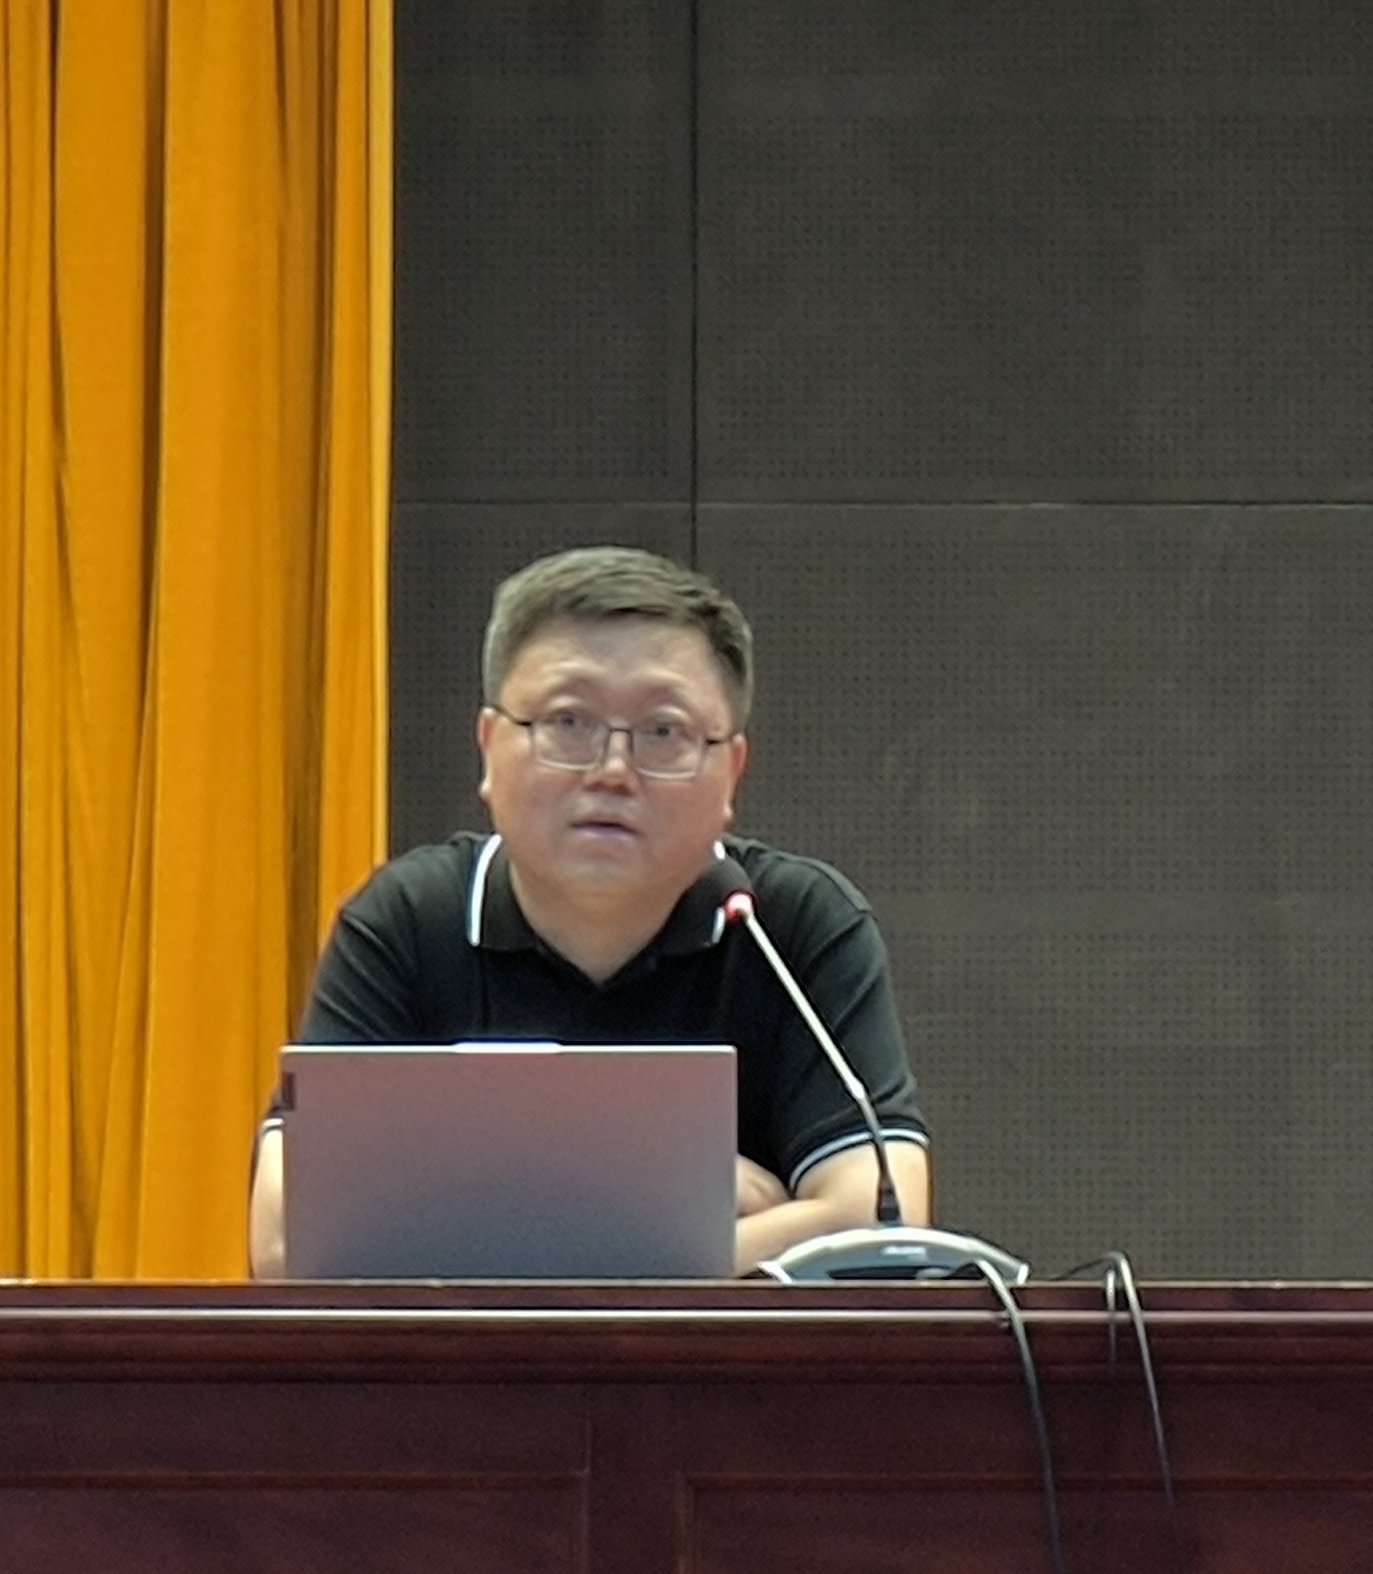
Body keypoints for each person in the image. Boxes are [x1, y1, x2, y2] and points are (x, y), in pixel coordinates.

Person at [248, 545, 936, 1279]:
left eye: (663, 732)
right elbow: (287, 1239)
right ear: (490, 748)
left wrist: (484, 1219)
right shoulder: (411, 923)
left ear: (731, 771)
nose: (612, 771)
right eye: (569, 722)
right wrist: (672, 1194)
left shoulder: (788, 926)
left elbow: (883, 1221)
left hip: (715, 1359)